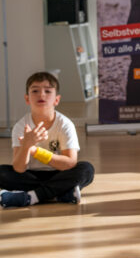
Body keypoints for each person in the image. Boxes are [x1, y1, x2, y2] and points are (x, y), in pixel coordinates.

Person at [0, 72, 94, 208]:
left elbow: (69, 163)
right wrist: (26, 146)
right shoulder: (21, 126)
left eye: (48, 91)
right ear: (27, 99)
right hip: (30, 176)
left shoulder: (65, 124)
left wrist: (36, 151)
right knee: (2, 172)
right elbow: (19, 168)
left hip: (59, 174)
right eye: (35, 90)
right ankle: (60, 193)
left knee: (86, 169)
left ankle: (30, 197)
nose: (41, 95)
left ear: (56, 99)